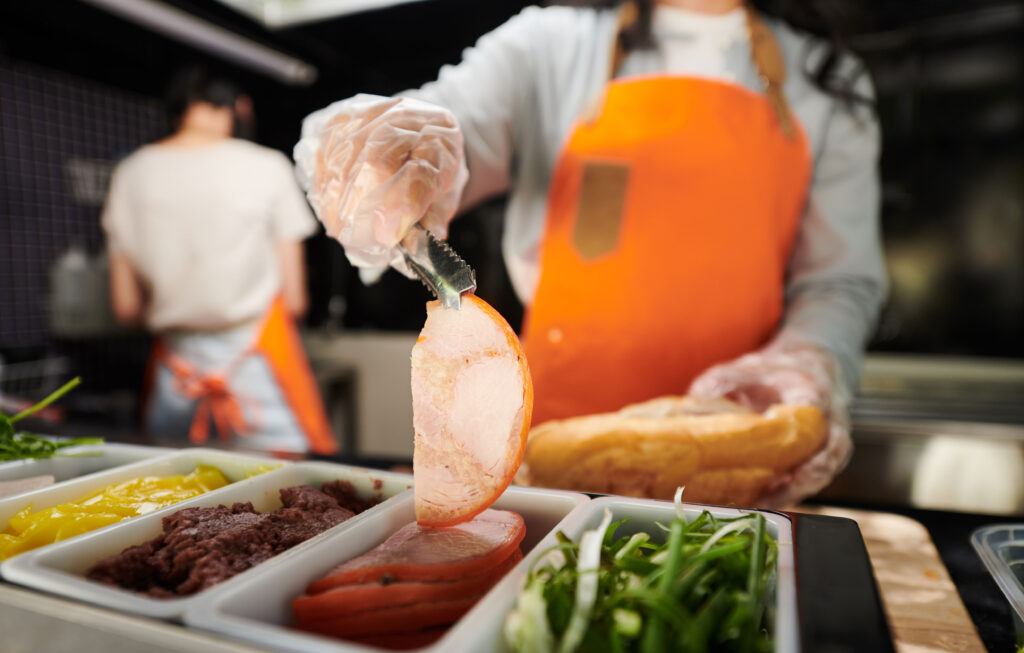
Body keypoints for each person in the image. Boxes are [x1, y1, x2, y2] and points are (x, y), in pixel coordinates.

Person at [293, 0, 887, 504]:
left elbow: (838, 283)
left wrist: (807, 363)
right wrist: (384, 150)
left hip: (733, 454)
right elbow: (449, 127)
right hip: (549, 455)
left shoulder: (828, 80)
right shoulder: (548, 46)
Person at [102, 67, 337, 455]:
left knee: (178, 497)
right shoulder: (266, 166)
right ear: (238, 108)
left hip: (176, 378)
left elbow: (125, 309)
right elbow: (295, 301)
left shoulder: (130, 173)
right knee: (289, 500)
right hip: (257, 371)